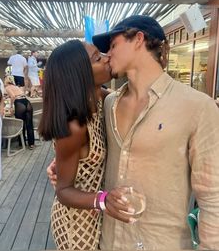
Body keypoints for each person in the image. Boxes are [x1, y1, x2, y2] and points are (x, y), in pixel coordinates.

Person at [48, 15, 219, 250]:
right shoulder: (109, 105)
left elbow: (213, 196)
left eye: (113, 44)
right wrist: (61, 164)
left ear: (138, 39)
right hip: (106, 239)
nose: (108, 53)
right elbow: (78, 141)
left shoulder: (198, 107)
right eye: (100, 53)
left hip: (161, 243)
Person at [39, 40, 133, 251]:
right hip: (77, 226)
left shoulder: (102, 98)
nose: (107, 57)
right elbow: (63, 191)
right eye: (97, 58)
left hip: (100, 216)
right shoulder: (74, 126)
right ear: (79, 75)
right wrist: (103, 200)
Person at [4, 75, 35, 149]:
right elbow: (20, 94)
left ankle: (22, 142)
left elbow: (13, 96)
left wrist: (11, 106)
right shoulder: (16, 87)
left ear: (6, 81)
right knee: (29, 124)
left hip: (19, 104)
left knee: (21, 124)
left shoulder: (7, 87)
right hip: (26, 102)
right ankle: (31, 144)